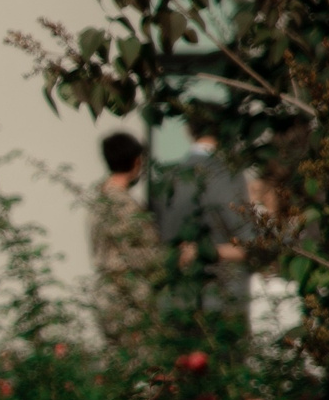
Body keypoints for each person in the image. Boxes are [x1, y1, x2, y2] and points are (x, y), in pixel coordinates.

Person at [153, 107, 255, 322]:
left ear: (188, 131)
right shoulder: (227, 176)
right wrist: (204, 251)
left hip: (175, 297)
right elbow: (248, 244)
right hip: (221, 299)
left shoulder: (168, 177)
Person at [87, 131, 163, 346]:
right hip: (128, 296)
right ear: (136, 161)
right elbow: (145, 256)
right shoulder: (123, 205)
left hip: (106, 292)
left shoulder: (99, 199)